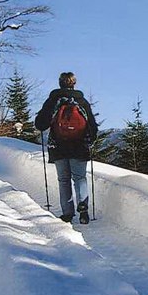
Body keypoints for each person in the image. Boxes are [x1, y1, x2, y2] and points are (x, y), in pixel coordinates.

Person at [35, 72, 98, 224]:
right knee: (80, 178)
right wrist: (90, 140)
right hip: (80, 146)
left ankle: (67, 214)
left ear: (60, 83)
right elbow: (92, 127)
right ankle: (83, 210)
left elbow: (40, 124)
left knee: (64, 180)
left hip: (59, 146)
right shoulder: (81, 101)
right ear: (74, 83)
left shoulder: (53, 99)